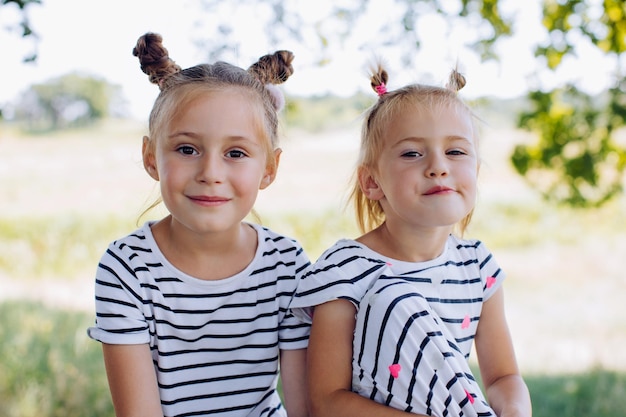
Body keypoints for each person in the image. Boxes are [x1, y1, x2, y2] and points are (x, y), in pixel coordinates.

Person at [87, 32, 310, 417]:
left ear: (269, 168)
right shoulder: (127, 269)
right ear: (151, 158)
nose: (210, 173)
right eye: (187, 149)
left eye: (235, 153)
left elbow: (304, 406)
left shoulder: (286, 264)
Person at [290, 63, 532, 417]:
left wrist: (513, 412)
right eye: (412, 153)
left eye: (456, 152)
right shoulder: (345, 270)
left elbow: (502, 377)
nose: (438, 166)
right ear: (371, 182)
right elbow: (327, 401)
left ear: (475, 172)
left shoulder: (477, 267)